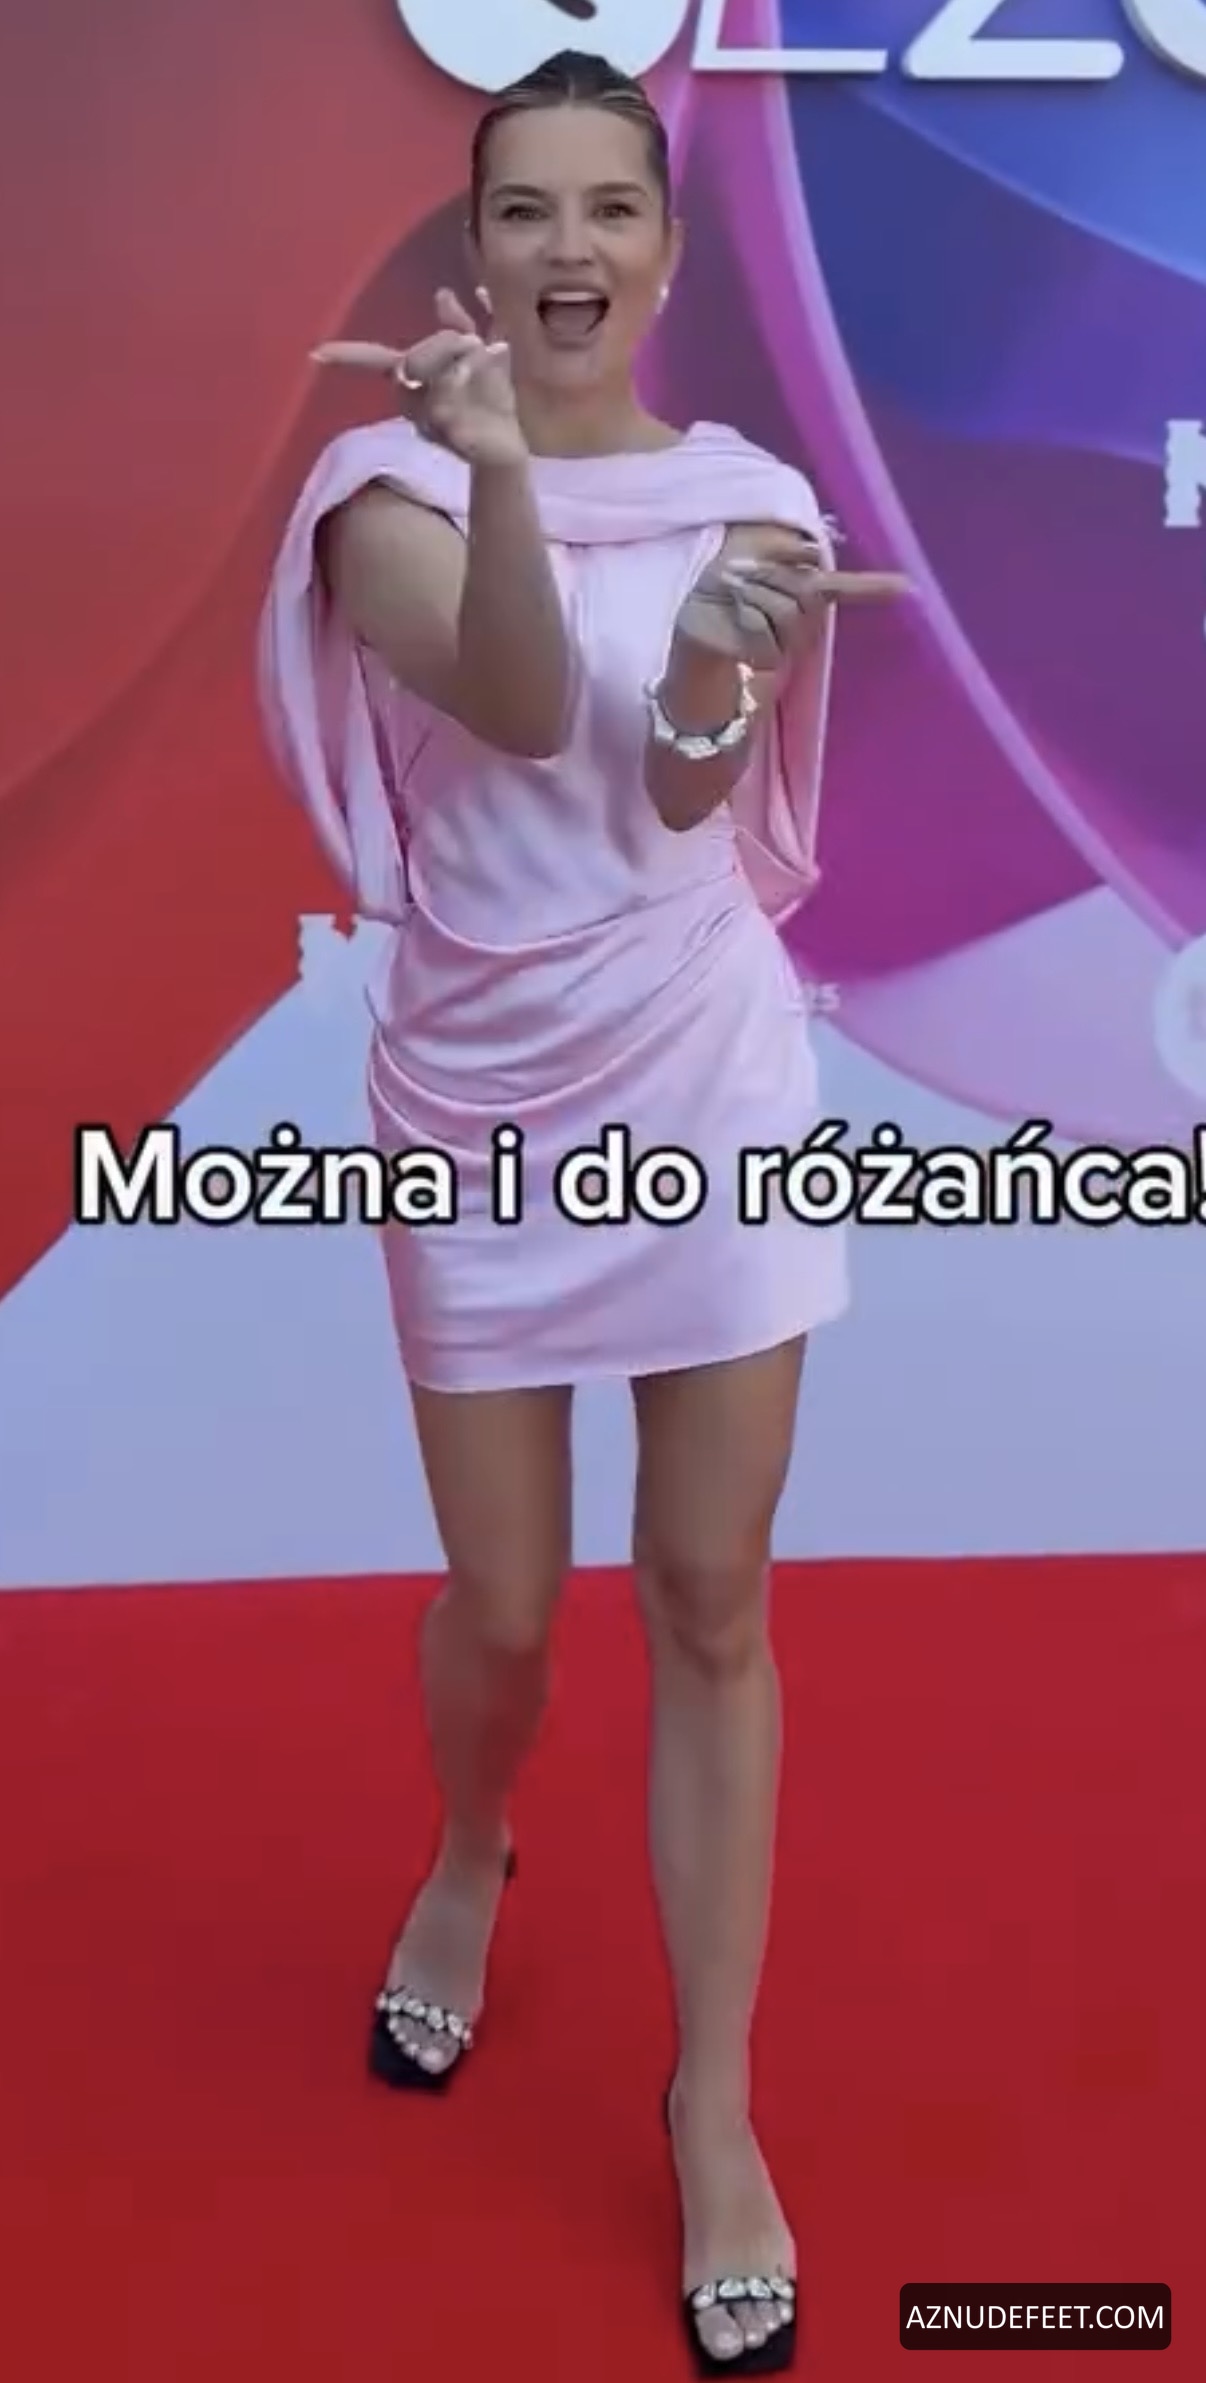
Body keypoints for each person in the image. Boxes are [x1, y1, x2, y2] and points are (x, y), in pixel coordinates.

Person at [259, 48, 906, 2375]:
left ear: (664, 247)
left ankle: (710, 2103)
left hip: (707, 1072)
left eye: (608, 209)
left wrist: (731, 652)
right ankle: (470, 1843)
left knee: (713, 1594)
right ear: (475, 245)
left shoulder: (748, 491)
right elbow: (523, 705)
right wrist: (509, 472)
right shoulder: (384, 485)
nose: (566, 250)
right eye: (522, 209)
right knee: (512, 1611)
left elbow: (688, 781)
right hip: (481, 1099)